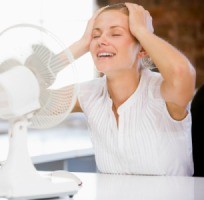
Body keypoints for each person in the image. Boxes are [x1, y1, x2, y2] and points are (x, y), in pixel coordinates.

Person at [67, 3, 196, 176]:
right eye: (95, 35)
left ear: (142, 47)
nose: (101, 41)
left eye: (116, 33)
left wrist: (142, 31)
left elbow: (181, 72)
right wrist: (80, 44)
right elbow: (26, 100)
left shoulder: (162, 92)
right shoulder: (89, 94)